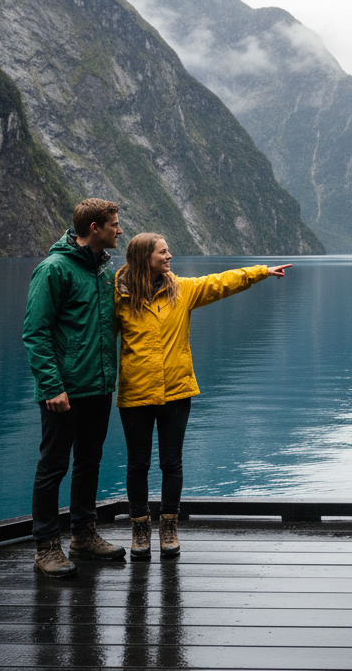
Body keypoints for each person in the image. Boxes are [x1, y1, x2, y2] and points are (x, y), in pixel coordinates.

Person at [115, 232, 289, 560]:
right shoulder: (118, 295)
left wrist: (260, 272)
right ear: (144, 258)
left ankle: (168, 527)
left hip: (177, 391)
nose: (169, 257)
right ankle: (140, 529)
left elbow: (219, 282)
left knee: (171, 462)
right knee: (137, 464)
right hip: (136, 392)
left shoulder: (181, 290)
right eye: (163, 253)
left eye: (168, 251)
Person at [23, 199, 125, 578]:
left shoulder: (102, 272)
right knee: (52, 467)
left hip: (98, 387)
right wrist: (52, 386)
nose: (119, 231)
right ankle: (46, 546)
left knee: (89, 462)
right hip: (63, 391)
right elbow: (35, 333)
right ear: (95, 227)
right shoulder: (53, 269)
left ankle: (83, 535)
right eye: (114, 225)